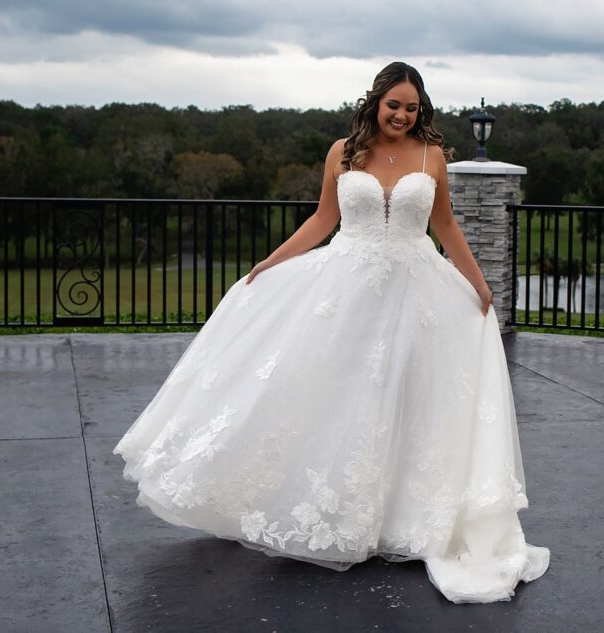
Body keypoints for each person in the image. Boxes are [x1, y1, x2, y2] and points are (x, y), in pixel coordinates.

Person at [113, 62, 550, 604]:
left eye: (412, 107)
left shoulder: (431, 156)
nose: (401, 115)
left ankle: (400, 515)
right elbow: (322, 220)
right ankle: (338, 509)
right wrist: (268, 265)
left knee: (412, 403)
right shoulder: (343, 152)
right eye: (394, 105)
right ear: (376, 101)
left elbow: (445, 225)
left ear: (421, 110)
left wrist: (479, 284)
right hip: (348, 287)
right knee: (338, 397)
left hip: (418, 291)